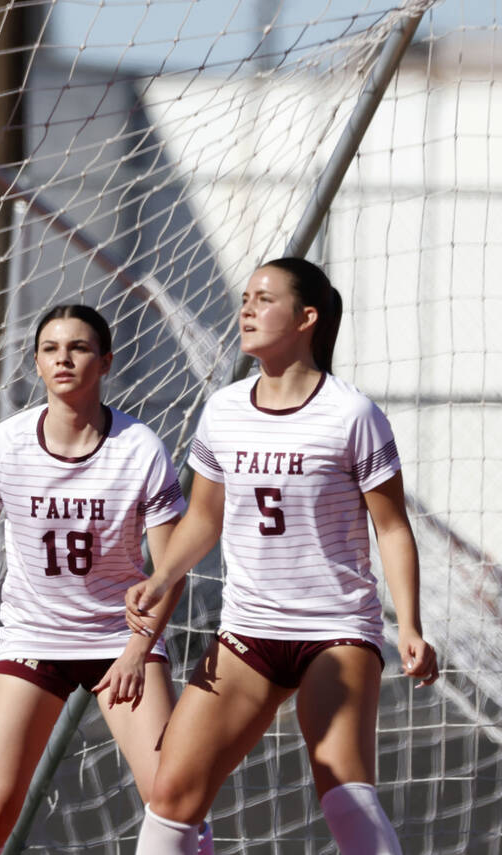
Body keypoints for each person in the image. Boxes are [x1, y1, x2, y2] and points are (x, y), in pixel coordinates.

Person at [126, 258, 440, 854]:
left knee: (344, 790)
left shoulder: (353, 414)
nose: (246, 309)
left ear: (307, 318)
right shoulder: (223, 409)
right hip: (249, 630)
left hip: (335, 631)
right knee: (170, 797)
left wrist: (411, 626)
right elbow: (203, 519)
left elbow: (393, 529)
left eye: (264, 299)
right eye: (244, 297)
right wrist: (161, 574)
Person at [0, 305, 213, 855]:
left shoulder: (140, 448)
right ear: (35, 362)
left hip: (120, 640)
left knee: (171, 800)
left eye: (79, 348)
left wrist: (136, 651)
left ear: (104, 361)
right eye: (51, 348)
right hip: (34, 637)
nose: (64, 358)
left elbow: (170, 566)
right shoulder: (4, 444)